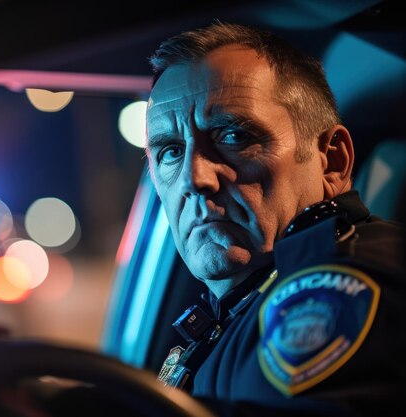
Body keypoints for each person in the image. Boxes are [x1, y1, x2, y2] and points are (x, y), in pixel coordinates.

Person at [146, 21, 405, 416]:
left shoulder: (341, 283)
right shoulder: (241, 308)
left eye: (233, 136)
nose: (195, 179)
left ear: (332, 161)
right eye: (170, 151)